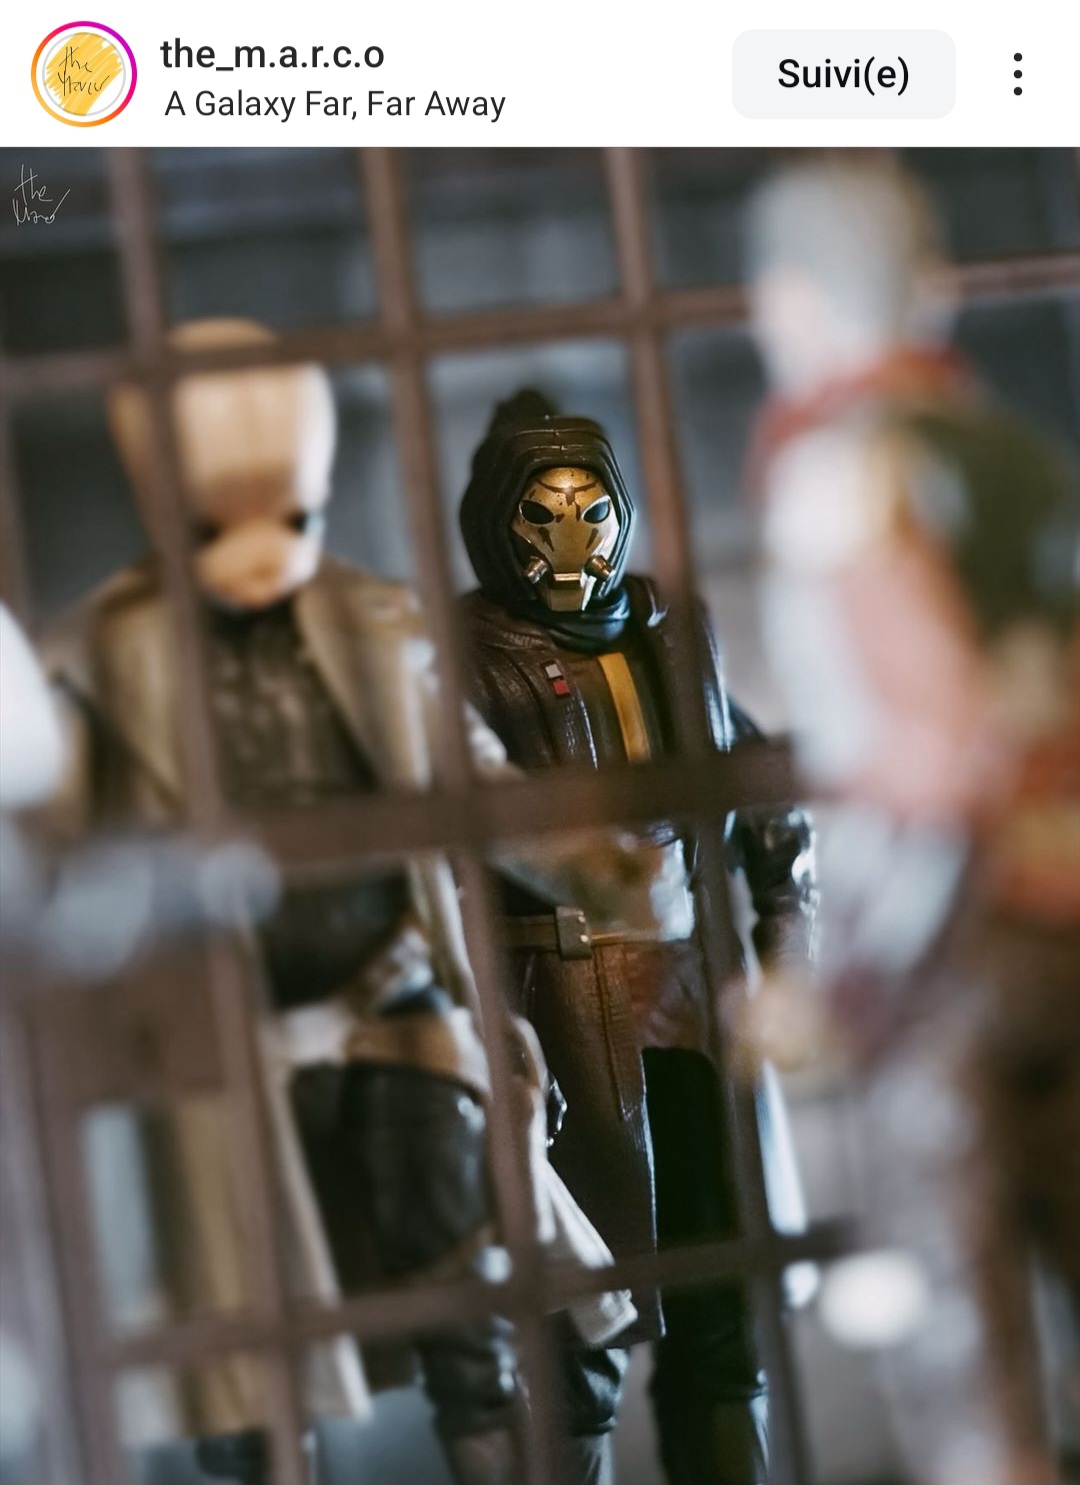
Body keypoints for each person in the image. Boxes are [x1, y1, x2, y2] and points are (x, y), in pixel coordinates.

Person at [41, 321, 642, 1485]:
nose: (262, 558)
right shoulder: (101, 657)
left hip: (389, 1003)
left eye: (296, 521)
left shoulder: (377, 627)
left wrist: (594, 861)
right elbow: (62, 867)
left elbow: (478, 784)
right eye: (215, 530)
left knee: (473, 1296)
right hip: (218, 1044)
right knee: (247, 1357)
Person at [745, 158, 1080, 1485]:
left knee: (966, 1355)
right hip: (1064, 907)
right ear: (935, 291)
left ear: (788, 302)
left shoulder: (838, 470)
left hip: (951, 934)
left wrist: (840, 970)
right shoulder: (1023, 455)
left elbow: (929, 744)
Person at [458, 390, 816, 1485]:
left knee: (722, 1300)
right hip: (560, 1014)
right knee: (580, 1324)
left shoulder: (671, 636)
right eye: (542, 515)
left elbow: (763, 793)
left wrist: (788, 943)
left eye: (590, 511)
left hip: (696, 1000)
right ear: (497, 524)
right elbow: (448, 852)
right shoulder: (467, 662)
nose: (572, 543)